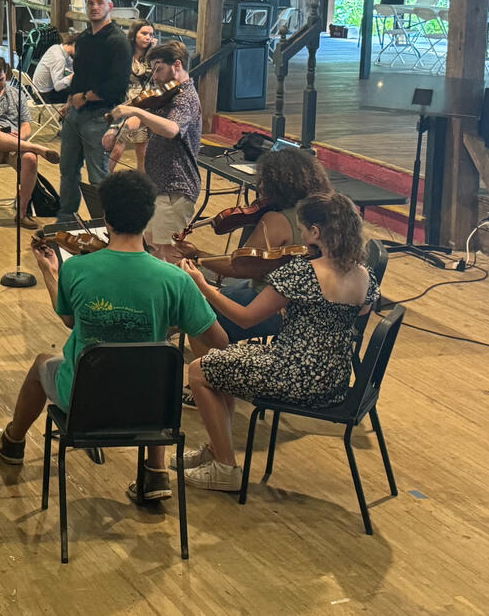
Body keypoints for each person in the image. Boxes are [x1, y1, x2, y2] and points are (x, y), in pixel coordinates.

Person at [0, 170, 228, 502]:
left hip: (86, 401)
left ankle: (12, 442)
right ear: (148, 218)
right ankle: (154, 472)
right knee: (157, 368)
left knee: (43, 362)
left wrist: (49, 271)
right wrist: (175, 321)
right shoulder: (176, 280)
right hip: (151, 407)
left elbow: (70, 320)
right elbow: (219, 342)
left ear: (107, 219)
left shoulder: (77, 269)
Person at [179, 193, 378, 492]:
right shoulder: (363, 275)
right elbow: (361, 310)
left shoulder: (302, 272)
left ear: (315, 232)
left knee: (198, 370)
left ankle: (225, 466)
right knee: (224, 363)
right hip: (333, 381)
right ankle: (214, 450)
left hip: (292, 376)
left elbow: (246, 319)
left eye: (302, 229)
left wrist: (203, 286)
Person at [173, 146, 334, 342]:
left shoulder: (276, 220)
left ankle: (215, 365)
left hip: (271, 305)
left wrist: (197, 255)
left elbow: (239, 267)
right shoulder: (325, 212)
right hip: (312, 306)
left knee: (199, 321)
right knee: (213, 299)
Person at [110, 41, 201, 263]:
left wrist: (134, 111)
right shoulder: (167, 95)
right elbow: (141, 114)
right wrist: (117, 130)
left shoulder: (185, 97)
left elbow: (171, 129)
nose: (156, 77)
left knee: (167, 257)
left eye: (159, 69)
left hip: (175, 187)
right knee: (151, 249)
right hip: (158, 185)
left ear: (177, 64)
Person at [55, 0, 132, 224]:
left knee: (98, 176)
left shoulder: (118, 41)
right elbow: (79, 76)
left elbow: (118, 85)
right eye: (91, 3)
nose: (94, 7)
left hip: (100, 115)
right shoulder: (84, 39)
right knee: (67, 170)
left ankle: (104, 225)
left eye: (100, 3)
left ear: (109, 7)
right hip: (76, 113)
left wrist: (86, 97)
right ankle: (66, 220)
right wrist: (71, 102)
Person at [0, 55, 61, 229]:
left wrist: (20, 137)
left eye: (1, 79)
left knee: (30, 158)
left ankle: (22, 213)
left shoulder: (17, 95)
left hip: (14, 146)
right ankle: (37, 148)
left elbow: (26, 126)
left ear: (6, 73)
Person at [105, 20, 157, 171]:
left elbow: (157, 79)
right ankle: (102, 181)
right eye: (144, 33)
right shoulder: (124, 54)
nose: (148, 37)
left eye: (151, 34)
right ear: (135, 35)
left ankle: (142, 184)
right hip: (124, 100)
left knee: (142, 149)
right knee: (117, 146)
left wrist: (154, 52)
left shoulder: (152, 58)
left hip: (145, 101)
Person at [31, 32, 77, 104]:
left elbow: (70, 63)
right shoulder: (59, 58)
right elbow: (58, 86)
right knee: (78, 93)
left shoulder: (56, 47)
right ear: (75, 44)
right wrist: (72, 76)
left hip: (36, 91)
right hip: (44, 96)